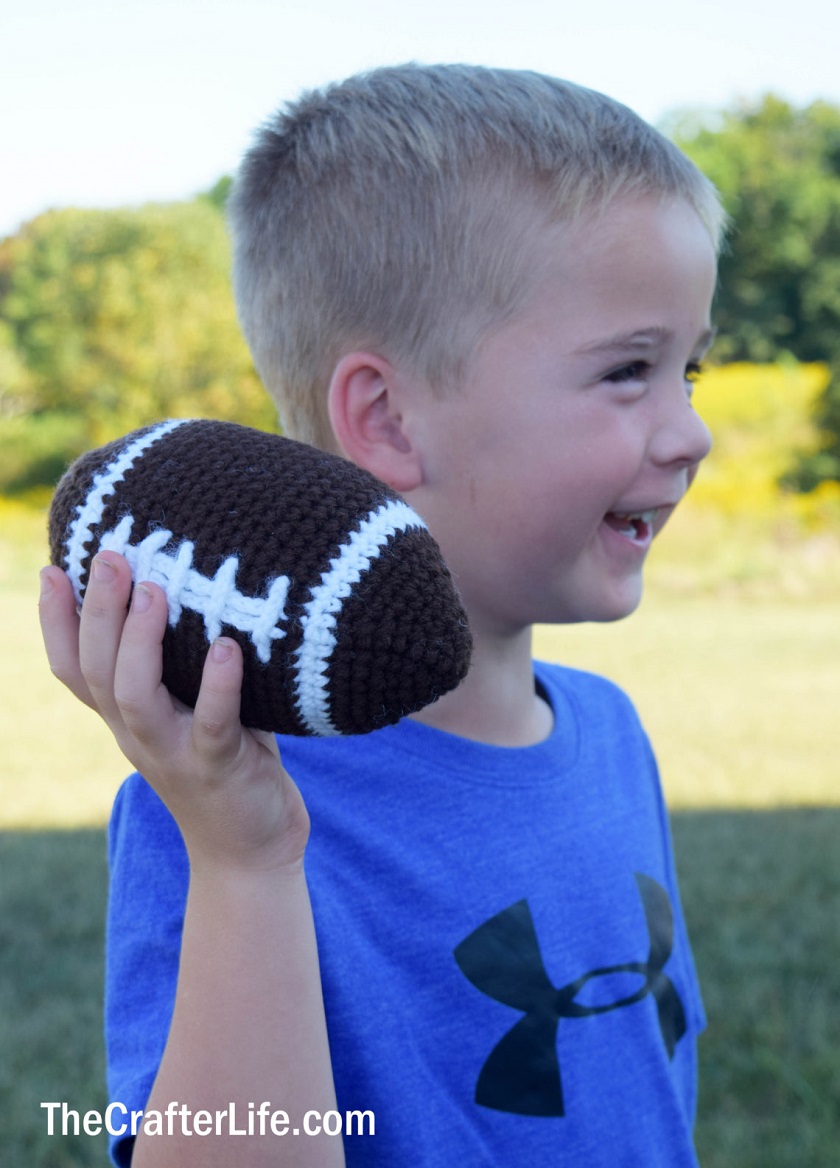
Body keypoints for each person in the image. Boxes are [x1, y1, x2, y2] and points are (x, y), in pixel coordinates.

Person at [39, 63, 727, 1168]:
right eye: (629, 371)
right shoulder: (226, 803)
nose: (690, 430)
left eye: (691, 368)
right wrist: (244, 865)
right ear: (390, 418)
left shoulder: (610, 731)